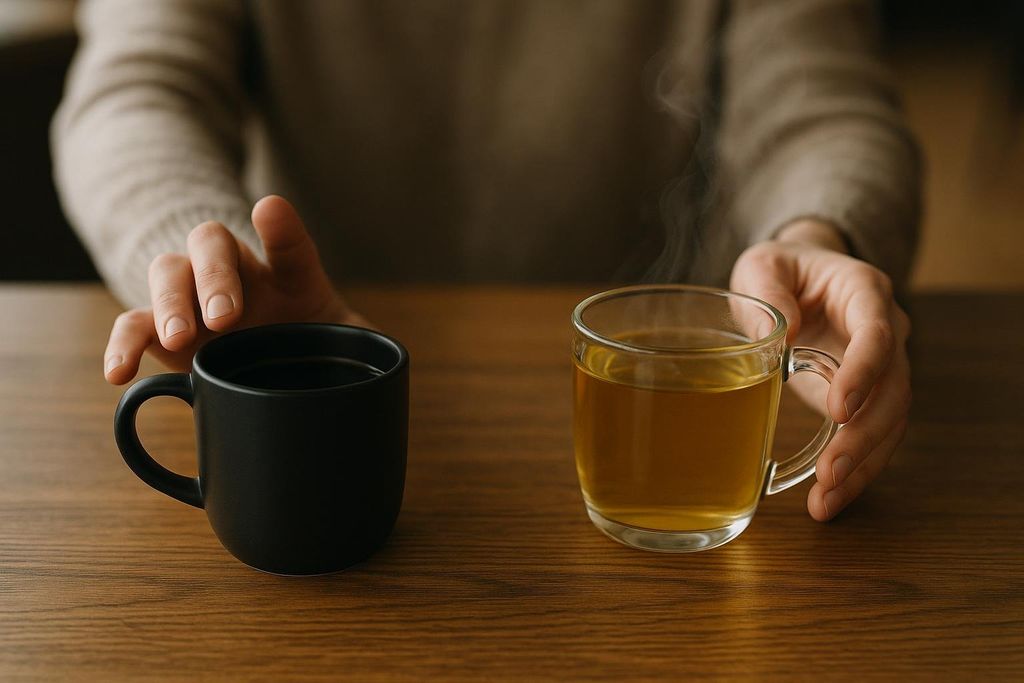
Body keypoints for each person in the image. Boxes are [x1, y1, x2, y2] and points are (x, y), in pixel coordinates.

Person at [52, 0, 920, 523]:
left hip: (666, 378)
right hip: (306, 346)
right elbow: (134, 93)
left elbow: (825, 103)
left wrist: (815, 239)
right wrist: (210, 263)